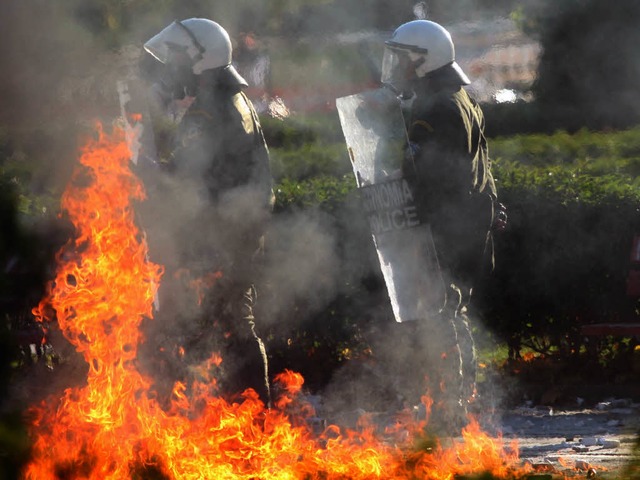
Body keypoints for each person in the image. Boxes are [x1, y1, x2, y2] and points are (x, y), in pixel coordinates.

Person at [377, 19, 505, 430]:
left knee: (439, 318)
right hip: (465, 228)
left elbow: (429, 179)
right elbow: (479, 166)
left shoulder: (435, 109)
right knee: (452, 313)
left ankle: (447, 414)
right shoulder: (461, 98)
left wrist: (411, 226)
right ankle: (455, 407)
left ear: (422, 61)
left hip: (443, 232)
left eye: (401, 59)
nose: (396, 67)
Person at [141, 18, 275, 406]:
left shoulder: (208, 113)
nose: (172, 65)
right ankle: (249, 422)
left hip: (220, 238)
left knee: (228, 329)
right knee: (234, 325)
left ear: (200, 59)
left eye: (178, 57)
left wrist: (144, 170)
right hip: (235, 234)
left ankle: (252, 422)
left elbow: (186, 181)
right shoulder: (233, 100)